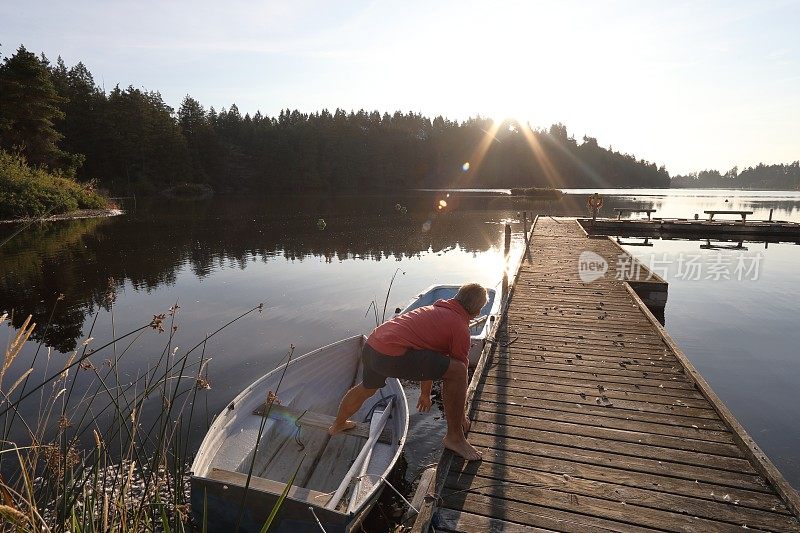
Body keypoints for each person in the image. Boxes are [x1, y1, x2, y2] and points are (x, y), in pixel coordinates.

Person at [328, 283, 487, 461]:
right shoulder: (458, 327)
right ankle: (455, 438)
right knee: (457, 371)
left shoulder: (433, 311)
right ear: (477, 310)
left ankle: (338, 424)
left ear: (457, 298)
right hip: (391, 355)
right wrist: (461, 417)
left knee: (367, 387)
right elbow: (457, 373)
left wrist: (425, 394)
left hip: (373, 345)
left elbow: (429, 358)